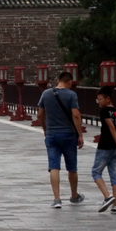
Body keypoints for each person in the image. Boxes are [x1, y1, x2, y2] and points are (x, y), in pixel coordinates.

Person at [37, 71, 85, 209]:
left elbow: (40, 115)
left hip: (52, 134)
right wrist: (80, 134)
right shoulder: (71, 95)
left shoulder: (46, 94)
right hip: (68, 134)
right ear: (70, 82)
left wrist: (45, 129)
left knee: (54, 166)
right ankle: (74, 196)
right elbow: (76, 115)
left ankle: (57, 199)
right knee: (72, 168)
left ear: (58, 80)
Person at [92, 86, 116, 214]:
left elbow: (112, 128)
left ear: (108, 99)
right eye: (98, 100)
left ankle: (108, 197)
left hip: (105, 146)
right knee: (114, 175)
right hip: (115, 149)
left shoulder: (104, 111)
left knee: (95, 172)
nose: (99, 102)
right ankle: (115, 205)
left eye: (100, 99)